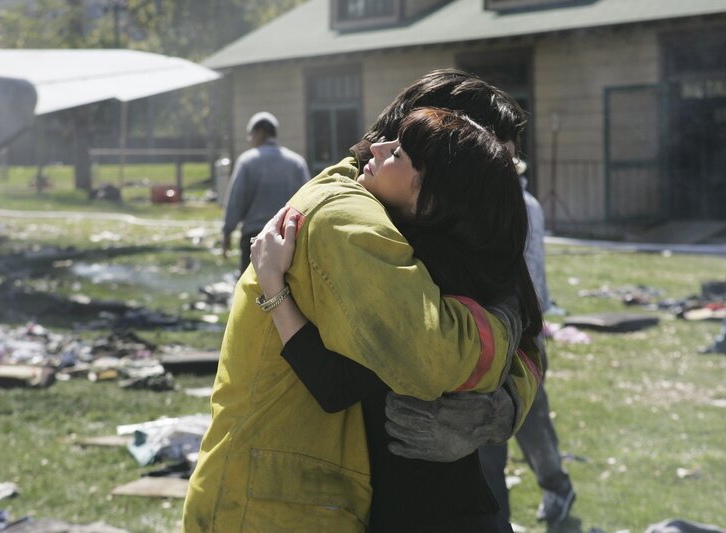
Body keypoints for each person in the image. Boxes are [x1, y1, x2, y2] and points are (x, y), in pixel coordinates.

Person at [183, 70, 544, 533]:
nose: (500, 184)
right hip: (289, 500)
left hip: (434, 502)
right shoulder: (353, 220)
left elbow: (529, 342)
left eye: (506, 167)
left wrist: (501, 409)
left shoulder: (458, 247)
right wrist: (504, 332)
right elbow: (425, 357)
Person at [478, 158, 576, 529]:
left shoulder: (514, 206)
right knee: (504, 431)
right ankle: (509, 512)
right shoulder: (520, 202)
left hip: (516, 332)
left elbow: (522, 275)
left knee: (521, 425)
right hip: (511, 330)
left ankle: (554, 490)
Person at [221, 111, 310, 271]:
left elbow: (236, 201)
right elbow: (308, 202)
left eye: (251, 135)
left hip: (254, 238)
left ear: (260, 132)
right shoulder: (297, 163)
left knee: (251, 286)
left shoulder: (247, 161)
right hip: (287, 239)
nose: (250, 140)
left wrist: (227, 232)